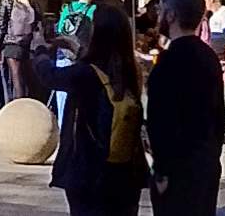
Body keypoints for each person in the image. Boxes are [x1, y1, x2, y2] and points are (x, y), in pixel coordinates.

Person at [45, 22, 151, 216]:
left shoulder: (86, 73)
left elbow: (49, 76)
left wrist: (41, 51)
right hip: (126, 173)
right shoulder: (130, 72)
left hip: (89, 171)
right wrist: (77, 50)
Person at [145, 0, 225, 216]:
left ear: (171, 15)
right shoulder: (208, 55)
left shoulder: (170, 61)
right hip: (206, 164)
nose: (158, 16)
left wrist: (161, 172)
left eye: (161, 10)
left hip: (178, 170)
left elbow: (162, 123)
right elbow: (218, 117)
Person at [0, 0, 44, 108]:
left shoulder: (7, 0)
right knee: (28, 79)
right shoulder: (32, 2)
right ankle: (31, 108)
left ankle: (18, 110)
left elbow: (2, 25)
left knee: (16, 80)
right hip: (29, 45)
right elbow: (39, 24)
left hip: (12, 45)